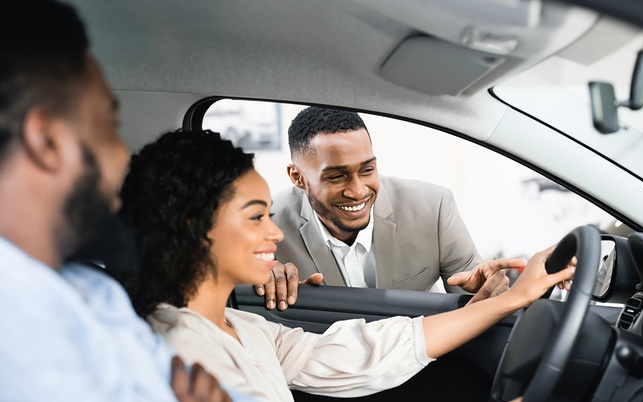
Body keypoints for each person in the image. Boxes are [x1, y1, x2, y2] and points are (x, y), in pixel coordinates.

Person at [117, 128, 575, 401]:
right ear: (196, 226)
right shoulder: (180, 353)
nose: (274, 233)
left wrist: (510, 298)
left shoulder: (243, 328)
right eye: (256, 218)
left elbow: (362, 350)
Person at [0, 1, 251, 400]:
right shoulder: (15, 325)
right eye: (108, 128)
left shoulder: (96, 294)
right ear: (46, 140)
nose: (123, 155)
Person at [273, 106, 519, 301]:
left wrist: (486, 292)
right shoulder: (265, 226)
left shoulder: (433, 209)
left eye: (367, 169)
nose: (358, 191)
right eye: (337, 176)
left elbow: (476, 300)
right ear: (298, 177)